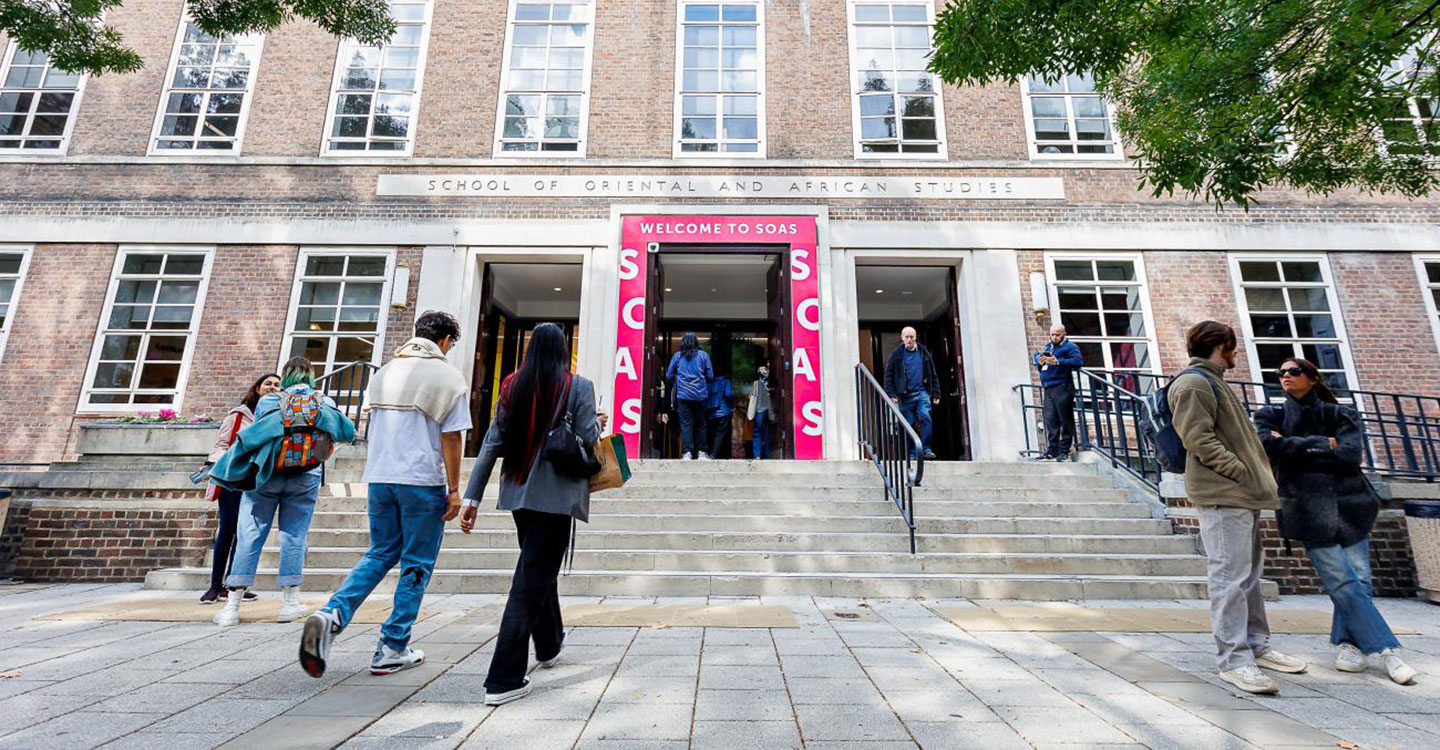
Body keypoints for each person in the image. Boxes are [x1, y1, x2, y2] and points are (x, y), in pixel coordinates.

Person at [299, 311, 471, 678]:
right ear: (445, 341)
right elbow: (453, 436)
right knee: (416, 563)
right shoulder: (447, 377)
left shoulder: (385, 372)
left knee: (380, 552)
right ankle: (393, 644)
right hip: (421, 481)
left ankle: (333, 613)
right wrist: (455, 489)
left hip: (380, 477)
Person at [460, 322, 607, 706]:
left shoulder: (511, 386)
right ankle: (503, 678)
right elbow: (590, 440)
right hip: (556, 496)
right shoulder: (579, 386)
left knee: (538, 568)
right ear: (562, 350)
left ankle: (549, 643)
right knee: (529, 582)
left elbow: (492, 443)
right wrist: (597, 424)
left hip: (519, 495)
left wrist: (471, 498)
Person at [1254, 358, 1417, 685]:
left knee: (1359, 577)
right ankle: (1386, 650)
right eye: (1280, 372)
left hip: (1351, 505)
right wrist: (1321, 444)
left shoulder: (1341, 413)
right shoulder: (1270, 415)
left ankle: (1347, 646)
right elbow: (1269, 447)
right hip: (1307, 509)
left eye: (1293, 371)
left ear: (1313, 378)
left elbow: (1349, 456)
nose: (1285, 376)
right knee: (1342, 581)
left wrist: (1294, 447)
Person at [1169, 321, 1307, 694]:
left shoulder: (1213, 381)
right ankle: (1233, 659)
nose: (1237, 353)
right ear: (1218, 346)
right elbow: (1197, 438)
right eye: (1232, 346)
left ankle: (1257, 645)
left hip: (1242, 493)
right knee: (1229, 578)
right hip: (1224, 492)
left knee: (1247, 577)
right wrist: (1239, 470)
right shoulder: (1194, 383)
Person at [209, 356, 355, 627]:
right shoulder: (324, 402)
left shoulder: (268, 401)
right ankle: (289, 603)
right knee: (294, 536)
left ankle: (231, 607)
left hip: (267, 474)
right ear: (311, 377)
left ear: (286, 377)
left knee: (250, 534)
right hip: (306, 475)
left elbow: (257, 435)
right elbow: (348, 432)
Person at [199, 372, 280, 604]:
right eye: (268, 384)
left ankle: (234, 584)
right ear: (257, 388)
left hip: (257, 481)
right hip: (234, 480)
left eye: (277, 385)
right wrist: (218, 464)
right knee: (227, 531)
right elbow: (220, 445)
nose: (273, 388)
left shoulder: (275, 417)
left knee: (246, 535)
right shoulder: (238, 416)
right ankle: (215, 586)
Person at [882, 326, 940, 460]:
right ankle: (913, 452)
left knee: (925, 417)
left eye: (911, 337)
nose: (909, 340)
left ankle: (926, 449)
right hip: (904, 394)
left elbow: (932, 373)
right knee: (908, 423)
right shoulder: (896, 354)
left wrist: (936, 393)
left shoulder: (923, 351)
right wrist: (891, 394)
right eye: (906, 337)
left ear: (915, 337)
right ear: (902, 338)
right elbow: (889, 374)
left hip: (922, 392)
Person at [1032, 324, 1083, 460]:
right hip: (1048, 386)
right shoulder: (1049, 347)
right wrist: (1040, 362)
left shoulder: (1070, 347)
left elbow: (1077, 361)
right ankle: (1052, 450)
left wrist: (1058, 361)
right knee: (1050, 420)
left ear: (1064, 334)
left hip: (1062, 385)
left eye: (1057, 334)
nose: (1054, 337)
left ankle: (1064, 450)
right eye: (1052, 334)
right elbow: (1043, 366)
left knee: (1065, 419)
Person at [664, 332, 713, 460]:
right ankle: (702, 452)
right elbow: (710, 376)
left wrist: (678, 378)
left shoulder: (677, 356)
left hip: (683, 396)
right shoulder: (704, 356)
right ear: (696, 342)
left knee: (686, 425)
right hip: (701, 396)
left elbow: (668, 376)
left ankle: (687, 452)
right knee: (701, 425)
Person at [706, 370, 734, 459]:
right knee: (722, 434)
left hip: (711, 412)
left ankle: (710, 452)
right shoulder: (726, 381)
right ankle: (716, 454)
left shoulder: (709, 382)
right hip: (724, 411)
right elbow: (728, 394)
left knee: (712, 434)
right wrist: (731, 406)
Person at [748, 365, 772, 460]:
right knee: (767, 432)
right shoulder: (770, 383)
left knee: (757, 432)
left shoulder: (756, 384)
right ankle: (767, 455)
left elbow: (752, 397)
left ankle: (757, 454)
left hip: (759, 411)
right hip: (769, 411)